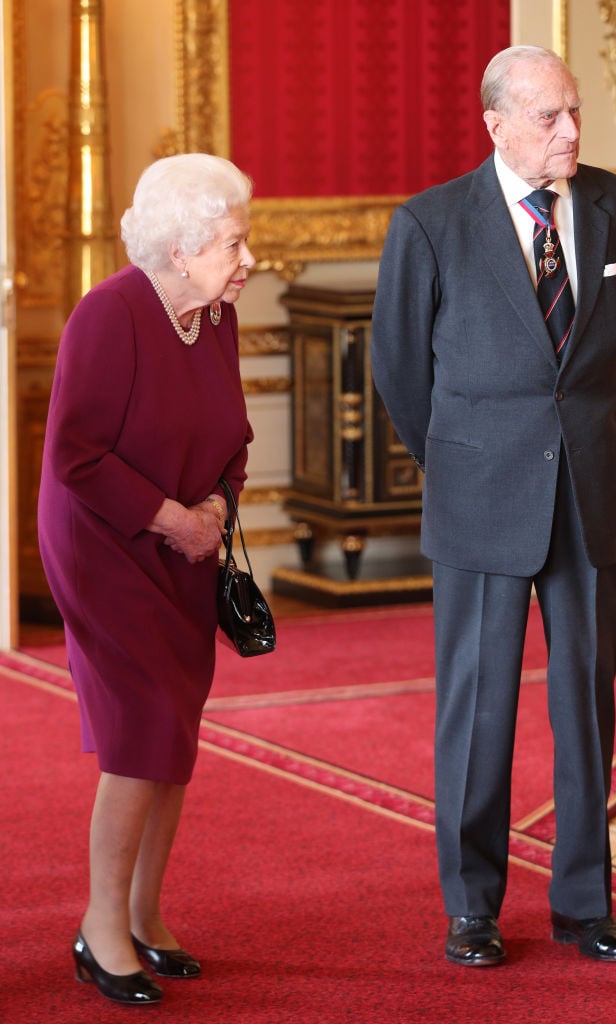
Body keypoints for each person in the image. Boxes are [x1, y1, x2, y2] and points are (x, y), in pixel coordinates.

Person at [370, 45, 616, 967]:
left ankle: (582, 907)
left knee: (586, 706)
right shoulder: (430, 224)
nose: (569, 131)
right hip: (480, 495)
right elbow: (402, 374)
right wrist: (462, 459)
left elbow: (590, 360)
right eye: (547, 117)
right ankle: (472, 909)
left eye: (573, 113)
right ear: (495, 124)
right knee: (478, 711)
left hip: (589, 491)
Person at [38, 153, 256, 1004]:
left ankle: (143, 912)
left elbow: (231, 433)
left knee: (176, 731)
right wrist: (175, 519)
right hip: (107, 550)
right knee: (141, 733)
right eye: (233, 244)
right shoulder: (109, 315)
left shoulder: (216, 317)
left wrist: (210, 504)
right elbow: (74, 457)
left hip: (185, 545)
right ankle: (100, 928)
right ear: (179, 250)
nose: (248, 261)